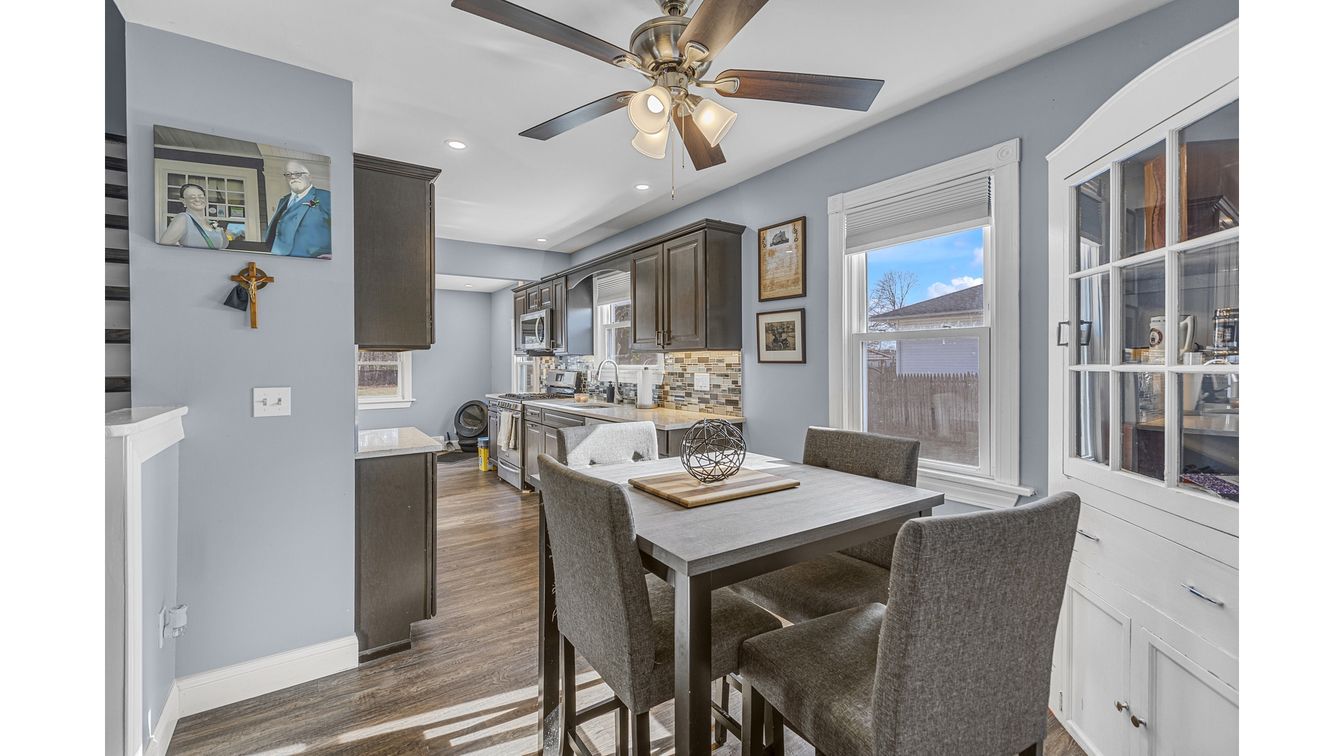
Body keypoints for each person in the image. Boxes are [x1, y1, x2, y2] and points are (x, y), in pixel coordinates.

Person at [264, 160, 332, 258]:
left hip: (312, 261)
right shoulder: (284, 200)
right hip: (279, 259)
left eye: (298, 173)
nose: (293, 177)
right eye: (288, 174)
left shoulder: (326, 196)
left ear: (309, 177)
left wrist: (334, 254)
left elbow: (344, 227)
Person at [159, 183, 228, 250]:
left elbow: (224, 246)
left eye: (200, 196)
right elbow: (164, 246)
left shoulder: (212, 224)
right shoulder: (183, 218)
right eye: (192, 197)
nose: (197, 199)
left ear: (205, 199)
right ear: (183, 201)